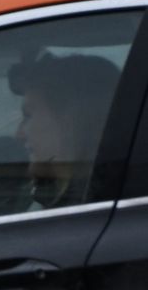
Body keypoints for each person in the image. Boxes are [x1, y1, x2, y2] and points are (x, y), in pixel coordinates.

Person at [9, 50, 119, 208]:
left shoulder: (91, 210)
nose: (18, 134)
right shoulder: (100, 200)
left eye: (28, 116)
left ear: (71, 121)